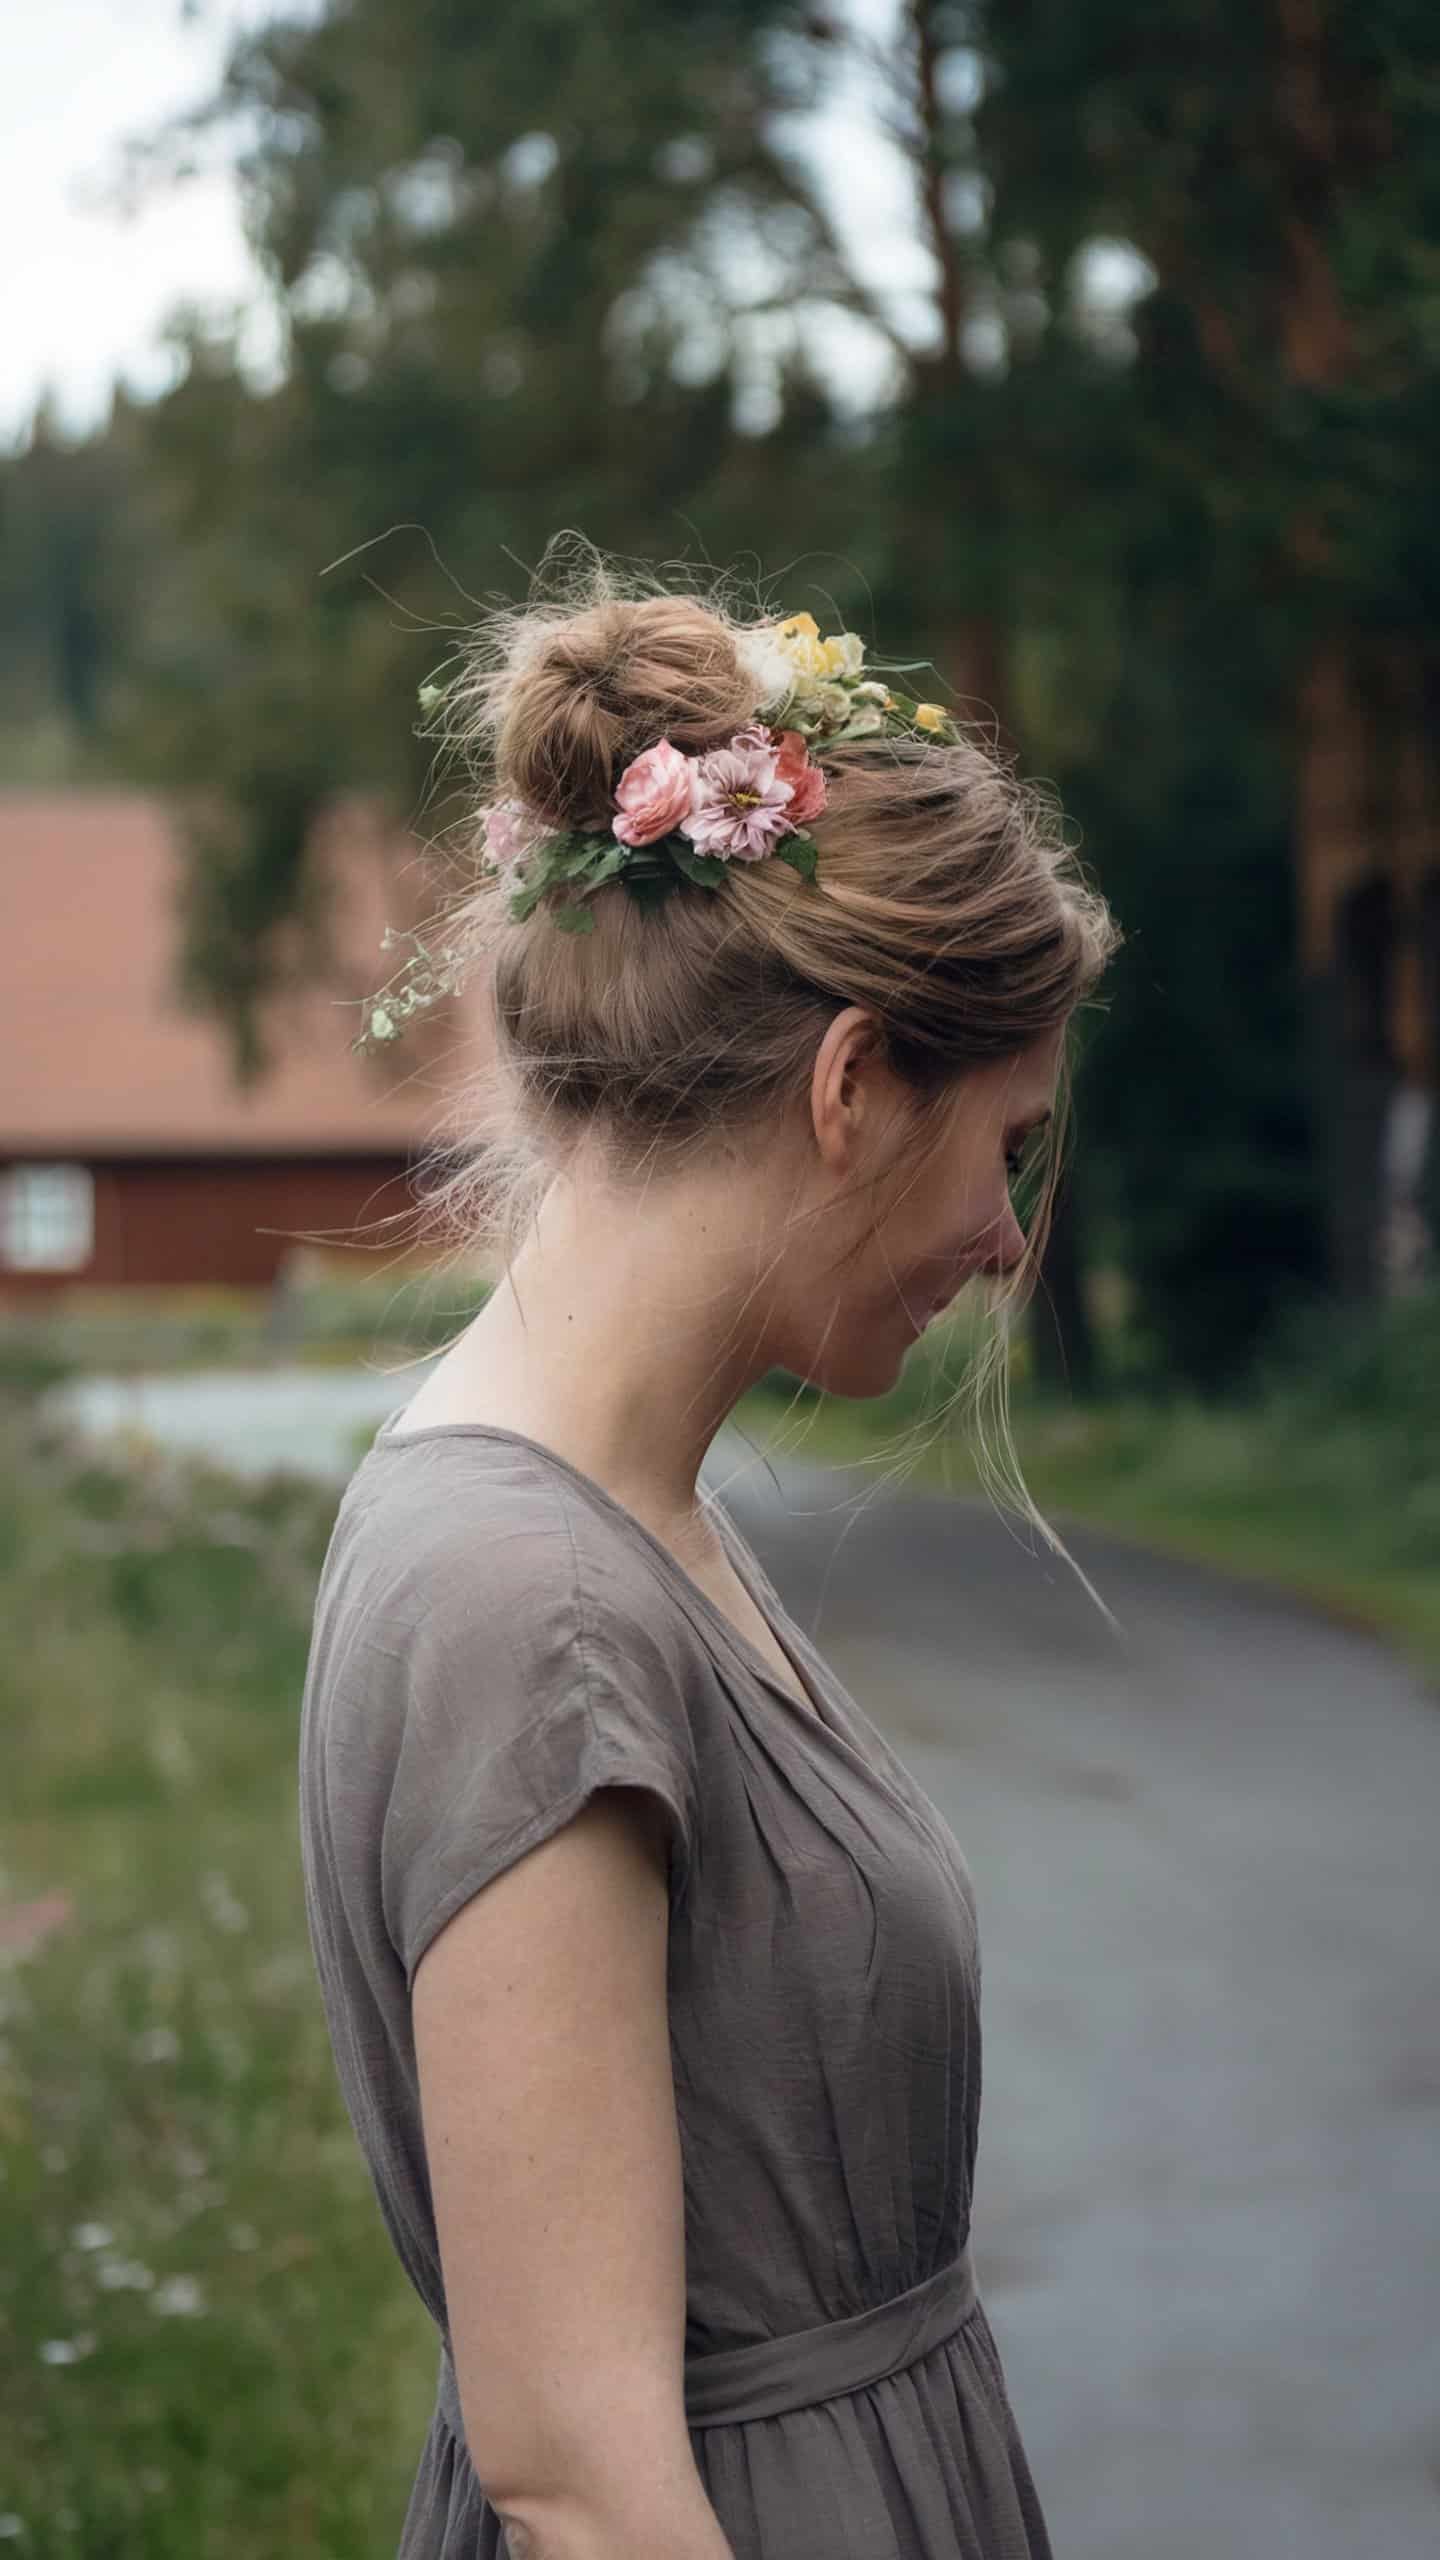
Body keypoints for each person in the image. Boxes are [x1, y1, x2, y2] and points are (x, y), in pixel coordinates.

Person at [298, 545, 1123, 2560]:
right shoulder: (525, 1593)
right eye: (1002, 1145)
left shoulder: (635, 1517)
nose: (1010, 1241)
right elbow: (580, 2473)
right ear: (852, 1088)